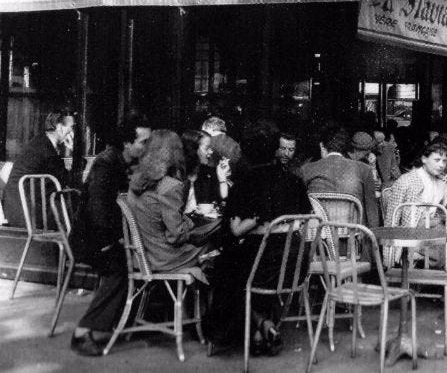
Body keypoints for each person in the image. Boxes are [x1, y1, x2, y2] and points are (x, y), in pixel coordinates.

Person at [205, 131, 312, 356]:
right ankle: (260, 331)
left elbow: (236, 230)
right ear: (275, 151)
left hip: (263, 266)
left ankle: (259, 326)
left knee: (229, 270)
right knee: (249, 266)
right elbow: (304, 220)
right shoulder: (294, 180)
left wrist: (256, 219)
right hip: (294, 264)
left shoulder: (246, 181)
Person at [70, 115, 151, 356]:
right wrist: (110, 242)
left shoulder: (126, 163)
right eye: (143, 142)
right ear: (127, 143)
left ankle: (123, 321)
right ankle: (82, 332)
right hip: (91, 239)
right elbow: (98, 210)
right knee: (120, 269)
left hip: (110, 235)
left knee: (134, 260)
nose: (147, 147)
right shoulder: (106, 164)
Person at [126, 130, 218, 273]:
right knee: (214, 246)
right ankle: (201, 292)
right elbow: (176, 236)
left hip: (140, 257)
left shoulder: (136, 182)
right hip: (164, 260)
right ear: (175, 153)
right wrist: (189, 223)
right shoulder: (170, 186)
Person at [383, 142, 447, 297]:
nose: (441, 165)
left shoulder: (442, 182)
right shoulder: (406, 180)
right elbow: (392, 218)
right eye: (437, 160)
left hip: (432, 232)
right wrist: (389, 255)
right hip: (411, 234)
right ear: (424, 159)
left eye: (445, 161)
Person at [3, 109, 75, 228]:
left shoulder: (40, 141)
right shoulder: (47, 150)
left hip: (16, 209)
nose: (72, 131)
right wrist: (72, 149)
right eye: (71, 127)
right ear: (60, 127)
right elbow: (65, 180)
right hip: (29, 213)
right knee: (74, 210)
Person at [299, 125, 380, 227]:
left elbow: (299, 211)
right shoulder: (364, 169)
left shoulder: (306, 169)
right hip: (352, 236)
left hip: (317, 237)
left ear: (322, 146)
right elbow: (371, 212)